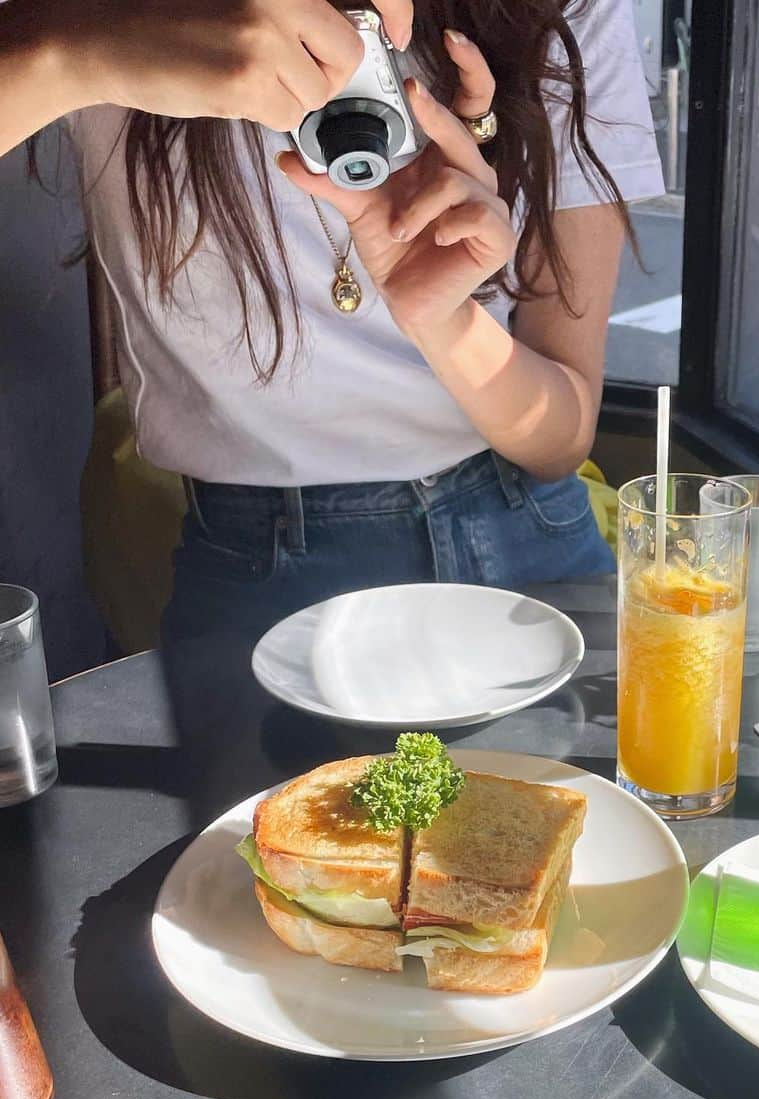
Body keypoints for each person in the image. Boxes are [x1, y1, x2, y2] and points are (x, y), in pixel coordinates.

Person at [0, 0, 663, 644]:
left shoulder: (562, 11)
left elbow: (564, 434)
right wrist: (80, 48)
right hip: (260, 565)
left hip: (529, 536)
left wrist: (445, 321)